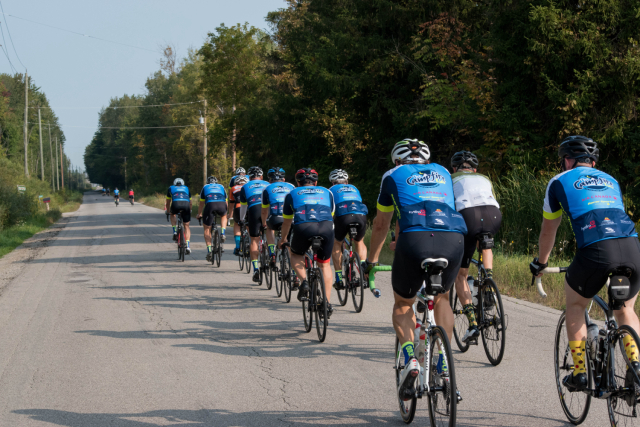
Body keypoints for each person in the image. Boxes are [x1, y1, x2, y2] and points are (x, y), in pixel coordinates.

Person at [531, 135, 640, 392]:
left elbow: (549, 231)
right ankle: (636, 365)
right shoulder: (611, 179)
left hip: (597, 250)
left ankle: (580, 372)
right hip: (632, 247)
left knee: (577, 304)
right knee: (625, 309)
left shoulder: (558, 181)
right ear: (593, 161)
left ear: (567, 160)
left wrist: (541, 263)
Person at [365, 138, 466, 401]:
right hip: (454, 237)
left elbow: (381, 224)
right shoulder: (444, 172)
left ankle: (411, 358)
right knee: (442, 297)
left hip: (416, 238)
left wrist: (372, 261)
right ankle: (443, 361)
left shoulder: (392, 175)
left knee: (403, 303)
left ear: (397, 161)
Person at [450, 151, 502, 344]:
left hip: (467, 215)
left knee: (461, 275)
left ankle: (472, 325)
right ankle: (488, 282)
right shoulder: (484, 178)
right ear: (475, 169)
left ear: (454, 169)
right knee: (485, 240)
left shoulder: (450, 178)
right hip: (493, 214)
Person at [279, 168, 336, 315]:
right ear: (316, 182)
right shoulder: (327, 192)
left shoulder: (291, 193)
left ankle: (304, 281)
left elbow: (286, 222)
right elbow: (332, 214)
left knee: (296, 254)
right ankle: (327, 303)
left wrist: (283, 239)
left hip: (303, 227)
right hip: (326, 227)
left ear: (298, 183)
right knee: (325, 265)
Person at [328, 169, 369, 292]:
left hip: (343, 216)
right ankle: (363, 269)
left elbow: (331, 211)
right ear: (346, 181)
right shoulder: (354, 188)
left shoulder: (330, 190)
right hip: (360, 215)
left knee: (337, 243)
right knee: (359, 241)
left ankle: (339, 278)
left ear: (332, 182)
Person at [239, 167, 269, 282]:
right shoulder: (267, 184)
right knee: (270, 232)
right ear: (261, 177)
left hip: (254, 210)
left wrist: (241, 219)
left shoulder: (245, 187)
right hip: (267, 210)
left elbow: (243, 207)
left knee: (254, 240)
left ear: (249, 178)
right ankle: (271, 253)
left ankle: (256, 269)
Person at [261, 167, 295, 265]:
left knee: (269, 228)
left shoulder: (266, 188)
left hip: (275, 218)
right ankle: (294, 273)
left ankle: (272, 253)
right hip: (291, 219)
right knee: (288, 240)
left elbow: (264, 211)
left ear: (270, 180)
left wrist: (264, 223)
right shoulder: (291, 186)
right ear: (283, 179)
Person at [196, 176, 228, 261]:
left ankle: (209, 251)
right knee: (224, 216)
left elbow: (201, 204)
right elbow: (226, 201)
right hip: (222, 204)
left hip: (210, 205)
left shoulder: (205, 187)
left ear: (207, 182)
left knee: (207, 229)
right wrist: (225, 212)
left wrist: (199, 214)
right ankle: (222, 233)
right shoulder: (221, 186)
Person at [165, 178, 193, 255]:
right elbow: (190, 202)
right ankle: (188, 246)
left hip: (175, 205)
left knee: (172, 214)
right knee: (186, 226)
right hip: (186, 206)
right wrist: (189, 211)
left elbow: (168, 202)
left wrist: (168, 211)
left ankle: (174, 231)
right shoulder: (186, 188)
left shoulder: (171, 188)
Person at [229, 175, 249, 256]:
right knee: (249, 225)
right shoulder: (249, 187)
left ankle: (237, 246)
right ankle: (250, 244)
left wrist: (230, 214)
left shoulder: (233, 188)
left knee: (237, 225)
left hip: (237, 207)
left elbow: (231, 203)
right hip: (248, 208)